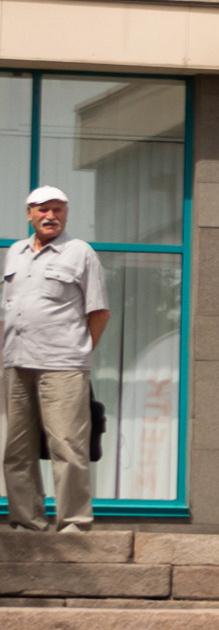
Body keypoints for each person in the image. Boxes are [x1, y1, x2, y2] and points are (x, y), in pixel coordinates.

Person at [3, 185, 110, 533]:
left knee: (67, 445)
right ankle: (26, 521)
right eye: (43, 210)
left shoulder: (80, 252)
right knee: (17, 449)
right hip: (17, 363)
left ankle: (75, 523)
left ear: (66, 214)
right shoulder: (15, 253)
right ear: (29, 214)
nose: (50, 216)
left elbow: (99, 312)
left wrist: (78, 350)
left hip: (63, 366)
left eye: (57, 210)